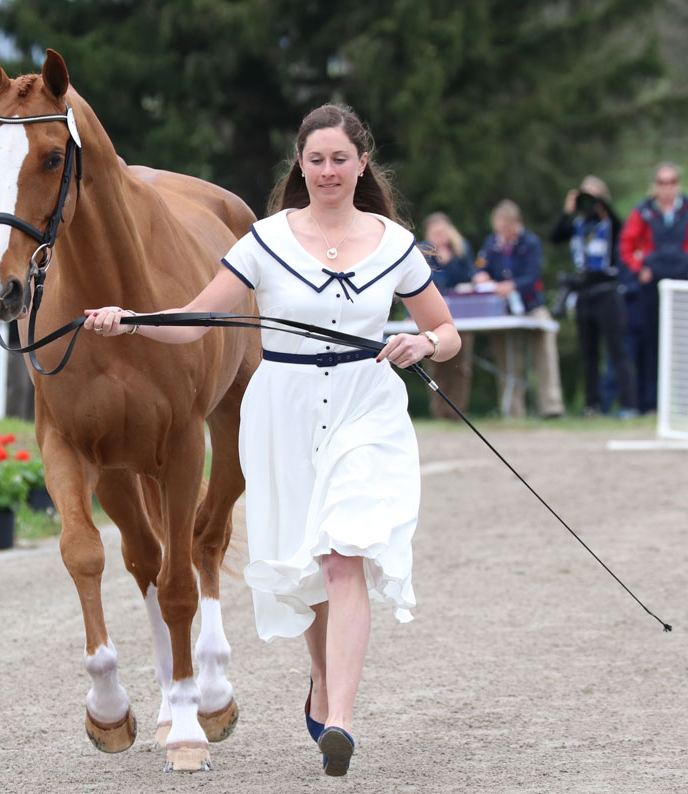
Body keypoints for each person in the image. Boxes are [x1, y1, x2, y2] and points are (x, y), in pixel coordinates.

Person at [85, 103, 461, 777]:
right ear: (300, 165)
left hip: (364, 405)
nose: (327, 172)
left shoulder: (395, 244)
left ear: (361, 164)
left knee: (346, 553)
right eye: (315, 160)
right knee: (308, 566)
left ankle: (340, 719)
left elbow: (447, 331)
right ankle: (319, 682)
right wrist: (131, 321)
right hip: (281, 413)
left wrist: (422, 341)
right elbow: (198, 318)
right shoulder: (265, 241)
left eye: (339, 159)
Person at [618, 162, 688, 413]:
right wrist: (639, 270)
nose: (667, 188)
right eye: (662, 183)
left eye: (671, 182)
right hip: (653, 287)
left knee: (684, 346)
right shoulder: (644, 211)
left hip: (684, 286)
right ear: (656, 185)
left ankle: (685, 406)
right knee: (652, 345)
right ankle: (652, 405)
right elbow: (627, 245)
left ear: (678, 184)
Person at [549, 176, 637, 417]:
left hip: (607, 291)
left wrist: (600, 202)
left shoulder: (610, 224)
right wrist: (568, 210)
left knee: (616, 349)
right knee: (589, 353)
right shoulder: (579, 224)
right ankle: (592, 405)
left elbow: (620, 225)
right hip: (583, 292)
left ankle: (629, 403)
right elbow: (555, 236)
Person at [474, 200, 564, 418]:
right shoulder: (491, 243)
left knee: (544, 346)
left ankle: (551, 406)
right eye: (498, 229)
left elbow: (533, 276)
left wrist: (512, 285)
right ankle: (513, 410)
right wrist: (480, 275)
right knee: (507, 357)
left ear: (516, 225)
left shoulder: (530, 243)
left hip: (531, 305)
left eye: (505, 229)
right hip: (502, 310)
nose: (502, 234)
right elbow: (479, 266)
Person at [422, 212, 476, 419]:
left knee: (461, 366)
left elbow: (468, 278)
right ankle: (439, 411)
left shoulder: (462, 250)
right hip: (433, 316)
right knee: (435, 365)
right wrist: (439, 259)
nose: (441, 236)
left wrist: (451, 259)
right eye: (436, 233)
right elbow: (421, 285)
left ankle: (458, 411)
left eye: (444, 231)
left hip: (462, 314)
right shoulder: (423, 252)